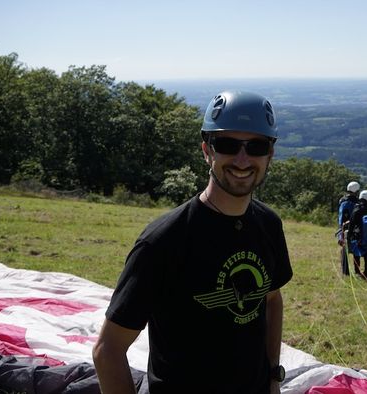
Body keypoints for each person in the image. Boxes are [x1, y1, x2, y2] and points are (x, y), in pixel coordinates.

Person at [93, 91, 293, 394]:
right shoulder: (163, 241)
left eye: (256, 146)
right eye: (227, 145)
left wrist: (273, 377)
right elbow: (107, 350)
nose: (242, 159)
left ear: (270, 155)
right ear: (206, 151)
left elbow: (272, 299)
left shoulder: (268, 224)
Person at [347, 190, 367, 280]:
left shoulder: (357, 209)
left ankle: (357, 271)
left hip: (358, 236)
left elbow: (352, 224)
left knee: (356, 253)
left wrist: (349, 236)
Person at [337, 181, 360, 275]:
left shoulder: (342, 200)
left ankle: (345, 271)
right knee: (356, 250)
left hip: (342, 227)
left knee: (344, 248)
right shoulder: (357, 202)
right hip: (354, 229)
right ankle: (357, 271)